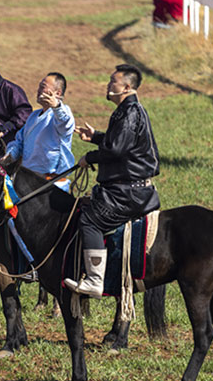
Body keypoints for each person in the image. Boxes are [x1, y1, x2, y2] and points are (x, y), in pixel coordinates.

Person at [63, 64, 160, 298]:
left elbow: (117, 150)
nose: (108, 85)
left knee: (90, 221)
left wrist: (90, 157)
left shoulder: (130, 112)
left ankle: (95, 281)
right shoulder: (127, 110)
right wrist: (96, 137)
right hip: (127, 189)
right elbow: (122, 143)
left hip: (128, 194)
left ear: (126, 87)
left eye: (112, 81)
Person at [4, 72, 75, 192]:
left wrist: (57, 107)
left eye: (43, 87)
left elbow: (65, 123)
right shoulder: (34, 116)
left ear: (57, 93)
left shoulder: (63, 113)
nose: (38, 90)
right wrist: (10, 155)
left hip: (51, 183)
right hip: (27, 180)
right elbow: (19, 141)